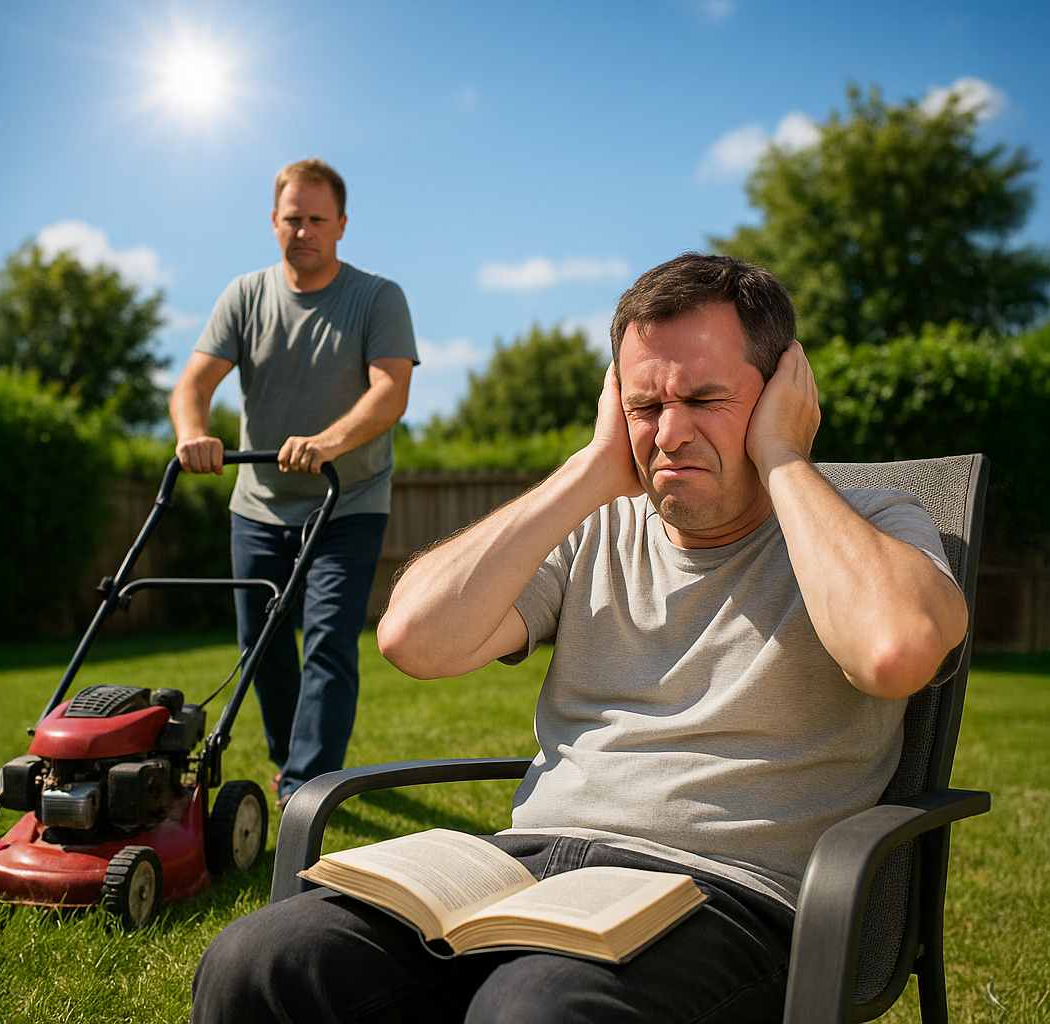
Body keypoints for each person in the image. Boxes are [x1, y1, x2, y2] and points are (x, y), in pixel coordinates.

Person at [190, 253, 968, 1024]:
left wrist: (786, 459)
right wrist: (595, 466)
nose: (669, 433)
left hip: (723, 897)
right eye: (643, 406)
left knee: (533, 1009)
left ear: (780, 394)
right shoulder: (595, 528)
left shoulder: (869, 526)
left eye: (704, 397)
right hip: (525, 872)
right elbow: (412, 639)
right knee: (256, 965)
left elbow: (893, 652)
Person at [170, 158, 417, 808]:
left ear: (340, 225)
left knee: (329, 640)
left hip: (348, 500)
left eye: (315, 219)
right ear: (273, 223)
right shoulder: (245, 296)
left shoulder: (376, 297)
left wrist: (328, 443)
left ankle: (308, 786)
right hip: (258, 504)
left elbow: (391, 391)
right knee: (262, 644)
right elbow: (192, 384)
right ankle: (289, 761)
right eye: (291, 219)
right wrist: (192, 431)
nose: (302, 230)